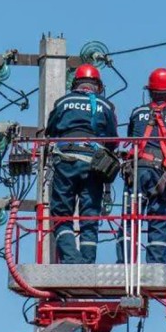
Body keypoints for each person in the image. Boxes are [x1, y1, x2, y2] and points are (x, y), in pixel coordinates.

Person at [118, 67, 166, 264]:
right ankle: (155, 263)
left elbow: (131, 135)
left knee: (130, 218)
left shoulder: (137, 112)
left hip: (136, 170)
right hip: (161, 174)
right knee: (158, 220)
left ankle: (125, 264)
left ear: (150, 91)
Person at [44, 63, 118, 264]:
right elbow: (113, 141)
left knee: (61, 214)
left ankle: (70, 259)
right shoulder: (105, 106)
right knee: (90, 216)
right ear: (97, 85)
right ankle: (87, 262)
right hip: (93, 165)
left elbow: (50, 131)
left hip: (65, 162)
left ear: (75, 83)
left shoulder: (63, 102)